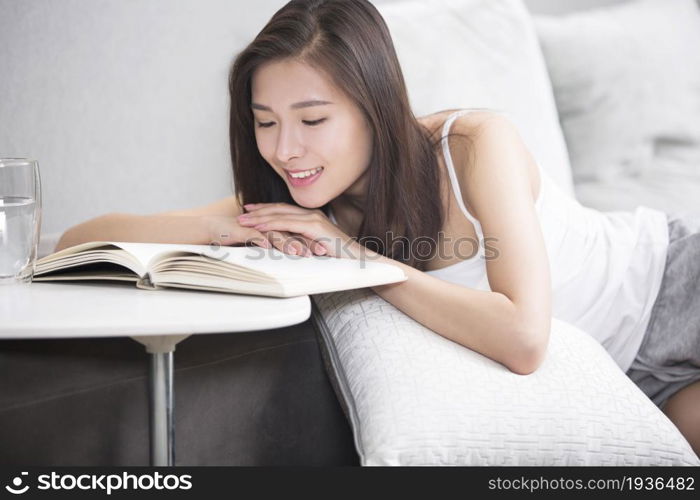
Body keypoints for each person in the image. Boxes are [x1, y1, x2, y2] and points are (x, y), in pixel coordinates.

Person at [55, 0, 700, 455]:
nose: (286, 149)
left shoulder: (473, 145)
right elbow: (79, 240)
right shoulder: (300, 201)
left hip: (673, 285)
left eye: (313, 120)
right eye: (264, 120)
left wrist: (358, 260)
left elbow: (525, 338)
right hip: (630, 380)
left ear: (374, 108)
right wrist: (223, 230)